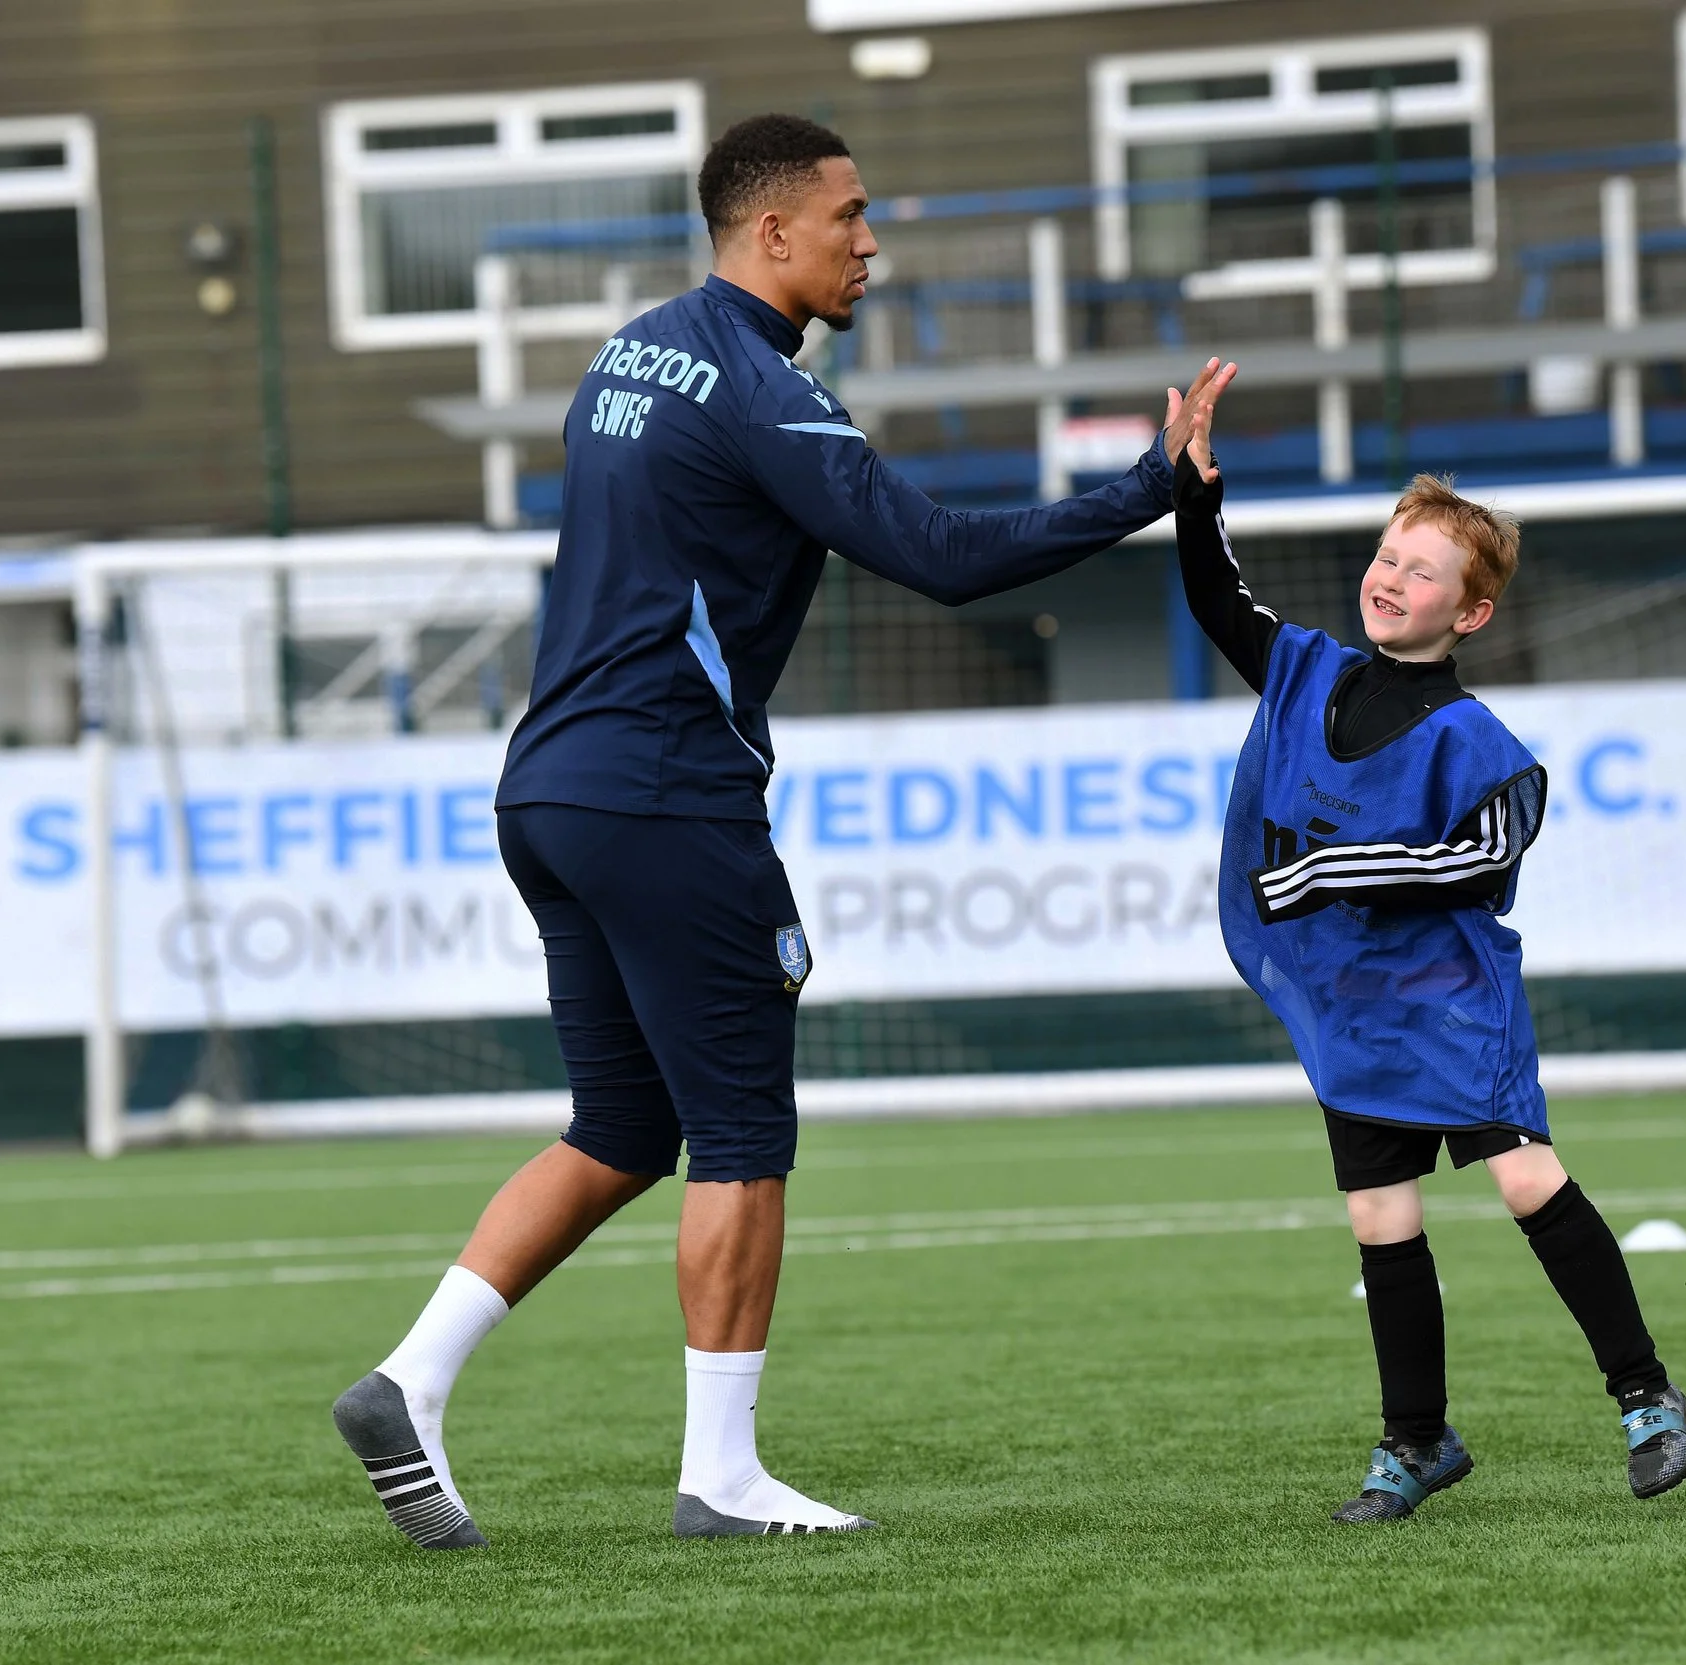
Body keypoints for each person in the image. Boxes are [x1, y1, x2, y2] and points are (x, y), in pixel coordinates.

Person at [331, 112, 1236, 1547]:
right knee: (744, 1128)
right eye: (851, 216)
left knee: (624, 1123)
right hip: (665, 792)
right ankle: (722, 1475)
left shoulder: (630, 351)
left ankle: (408, 1377)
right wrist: (1152, 487)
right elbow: (939, 559)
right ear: (772, 231)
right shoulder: (760, 389)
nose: (871, 242)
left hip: (548, 786)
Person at [1168, 432, 1686, 1523]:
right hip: (1351, 1012)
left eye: (1421, 571)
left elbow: (1481, 855)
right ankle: (1417, 1438)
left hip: (1451, 1004)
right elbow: (1220, 598)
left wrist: (1329, 865)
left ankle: (1644, 1392)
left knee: (1524, 1180)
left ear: (1469, 613)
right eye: (1386, 554)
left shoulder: (1472, 735)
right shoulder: (1305, 669)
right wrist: (1193, 491)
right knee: (1379, 1216)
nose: (1390, 577)